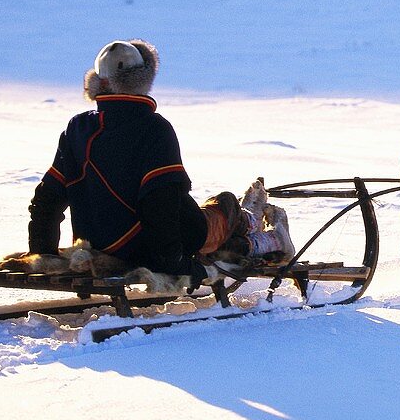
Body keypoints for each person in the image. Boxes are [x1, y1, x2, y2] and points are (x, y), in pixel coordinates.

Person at [26, 39, 295, 277]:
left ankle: (249, 219)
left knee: (213, 219)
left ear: (99, 83)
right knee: (224, 208)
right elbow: (161, 205)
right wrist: (174, 264)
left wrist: (42, 253)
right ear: (142, 80)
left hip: (99, 245)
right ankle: (264, 233)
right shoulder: (153, 128)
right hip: (153, 246)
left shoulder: (78, 128)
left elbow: (47, 199)